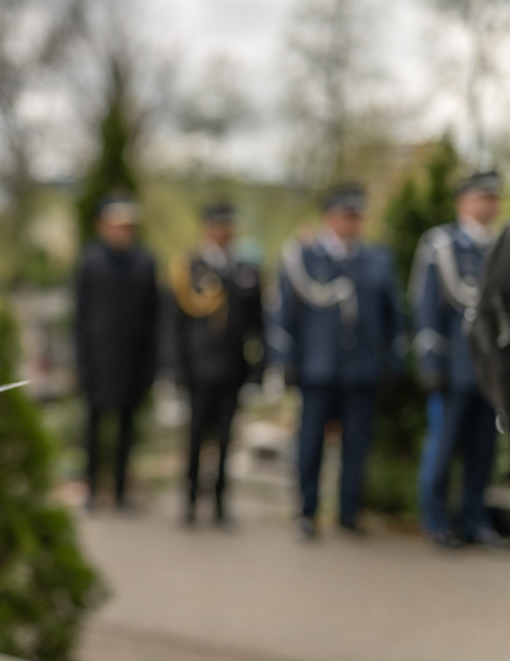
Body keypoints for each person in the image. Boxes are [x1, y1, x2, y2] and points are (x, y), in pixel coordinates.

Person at [268, 184, 404, 540]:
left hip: (361, 369)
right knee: (310, 444)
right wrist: (285, 361)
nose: (351, 222)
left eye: (356, 216)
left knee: (356, 446)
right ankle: (306, 512)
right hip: (318, 368)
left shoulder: (377, 259)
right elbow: (285, 315)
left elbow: (393, 315)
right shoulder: (305, 259)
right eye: (345, 215)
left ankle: (349, 513)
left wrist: (393, 359)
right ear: (329, 217)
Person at [411, 171, 508, 550]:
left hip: (493, 373)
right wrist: (431, 364)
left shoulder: (499, 245)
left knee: (484, 451)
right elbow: (425, 308)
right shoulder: (441, 245)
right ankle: (435, 520)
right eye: (482, 197)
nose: (489, 204)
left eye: (494, 197)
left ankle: (475, 521)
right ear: (463, 201)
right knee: (443, 448)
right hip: (453, 369)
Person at [170, 202, 264, 528]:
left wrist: (258, 365)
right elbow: (177, 324)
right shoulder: (190, 267)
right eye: (216, 226)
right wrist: (177, 367)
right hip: (198, 370)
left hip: (232, 369)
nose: (222, 233)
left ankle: (222, 503)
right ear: (206, 230)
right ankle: (191, 501)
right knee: (196, 437)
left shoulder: (246, 268)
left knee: (226, 438)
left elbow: (257, 322)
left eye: (227, 227)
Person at [74, 195, 158, 512]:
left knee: (126, 427)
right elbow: (81, 318)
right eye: (117, 226)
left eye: (128, 226)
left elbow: (153, 317)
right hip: (99, 358)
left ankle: (122, 491)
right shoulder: (91, 263)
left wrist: (152, 362)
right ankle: (93, 490)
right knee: (95, 426)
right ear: (104, 227)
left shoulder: (145, 263)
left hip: (133, 360)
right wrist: (82, 360)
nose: (123, 232)